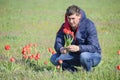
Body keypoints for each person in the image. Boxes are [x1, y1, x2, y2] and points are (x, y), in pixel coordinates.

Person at [50, 5, 101, 72]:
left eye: (73, 18)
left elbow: (94, 47)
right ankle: (74, 72)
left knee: (84, 56)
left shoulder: (89, 25)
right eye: (69, 18)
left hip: (92, 55)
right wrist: (61, 49)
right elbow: (58, 42)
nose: (70, 21)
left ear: (79, 16)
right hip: (74, 56)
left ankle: (88, 72)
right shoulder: (65, 26)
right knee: (54, 58)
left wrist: (79, 48)